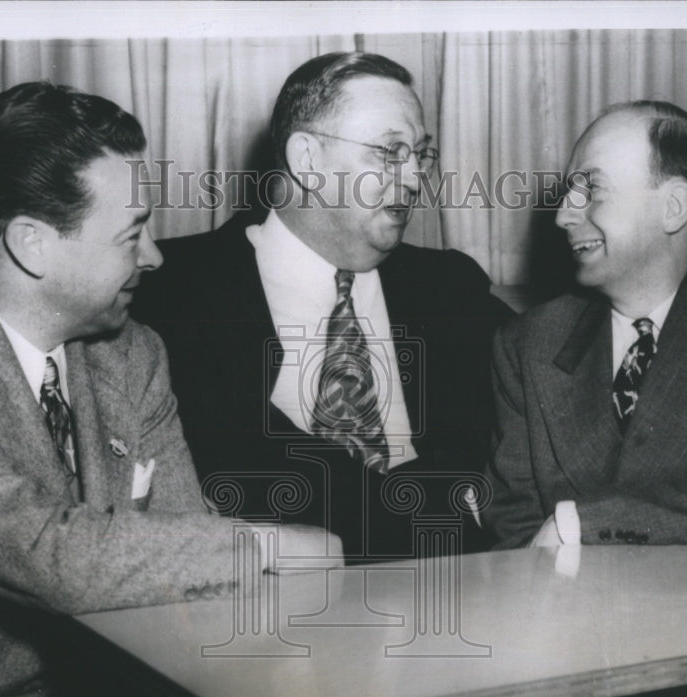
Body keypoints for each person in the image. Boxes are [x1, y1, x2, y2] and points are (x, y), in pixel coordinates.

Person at [0, 81, 339, 697]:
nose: (154, 256)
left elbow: (190, 554)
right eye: (132, 233)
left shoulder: (132, 354)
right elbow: (42, 552)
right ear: (32, 245)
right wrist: (262, 549)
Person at [132, 53, 512, 560]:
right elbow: (225, 479)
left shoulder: (451, 289)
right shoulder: (170, 293)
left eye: (420, 154)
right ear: (306, 159)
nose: (415, 178)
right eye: (388, 151)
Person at [484, 100, 687, 549]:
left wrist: (581, 524)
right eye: (569, 192)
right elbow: (515, 527)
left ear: (674, 207)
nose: (564, 215)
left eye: (592, 190)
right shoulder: (526, 344)